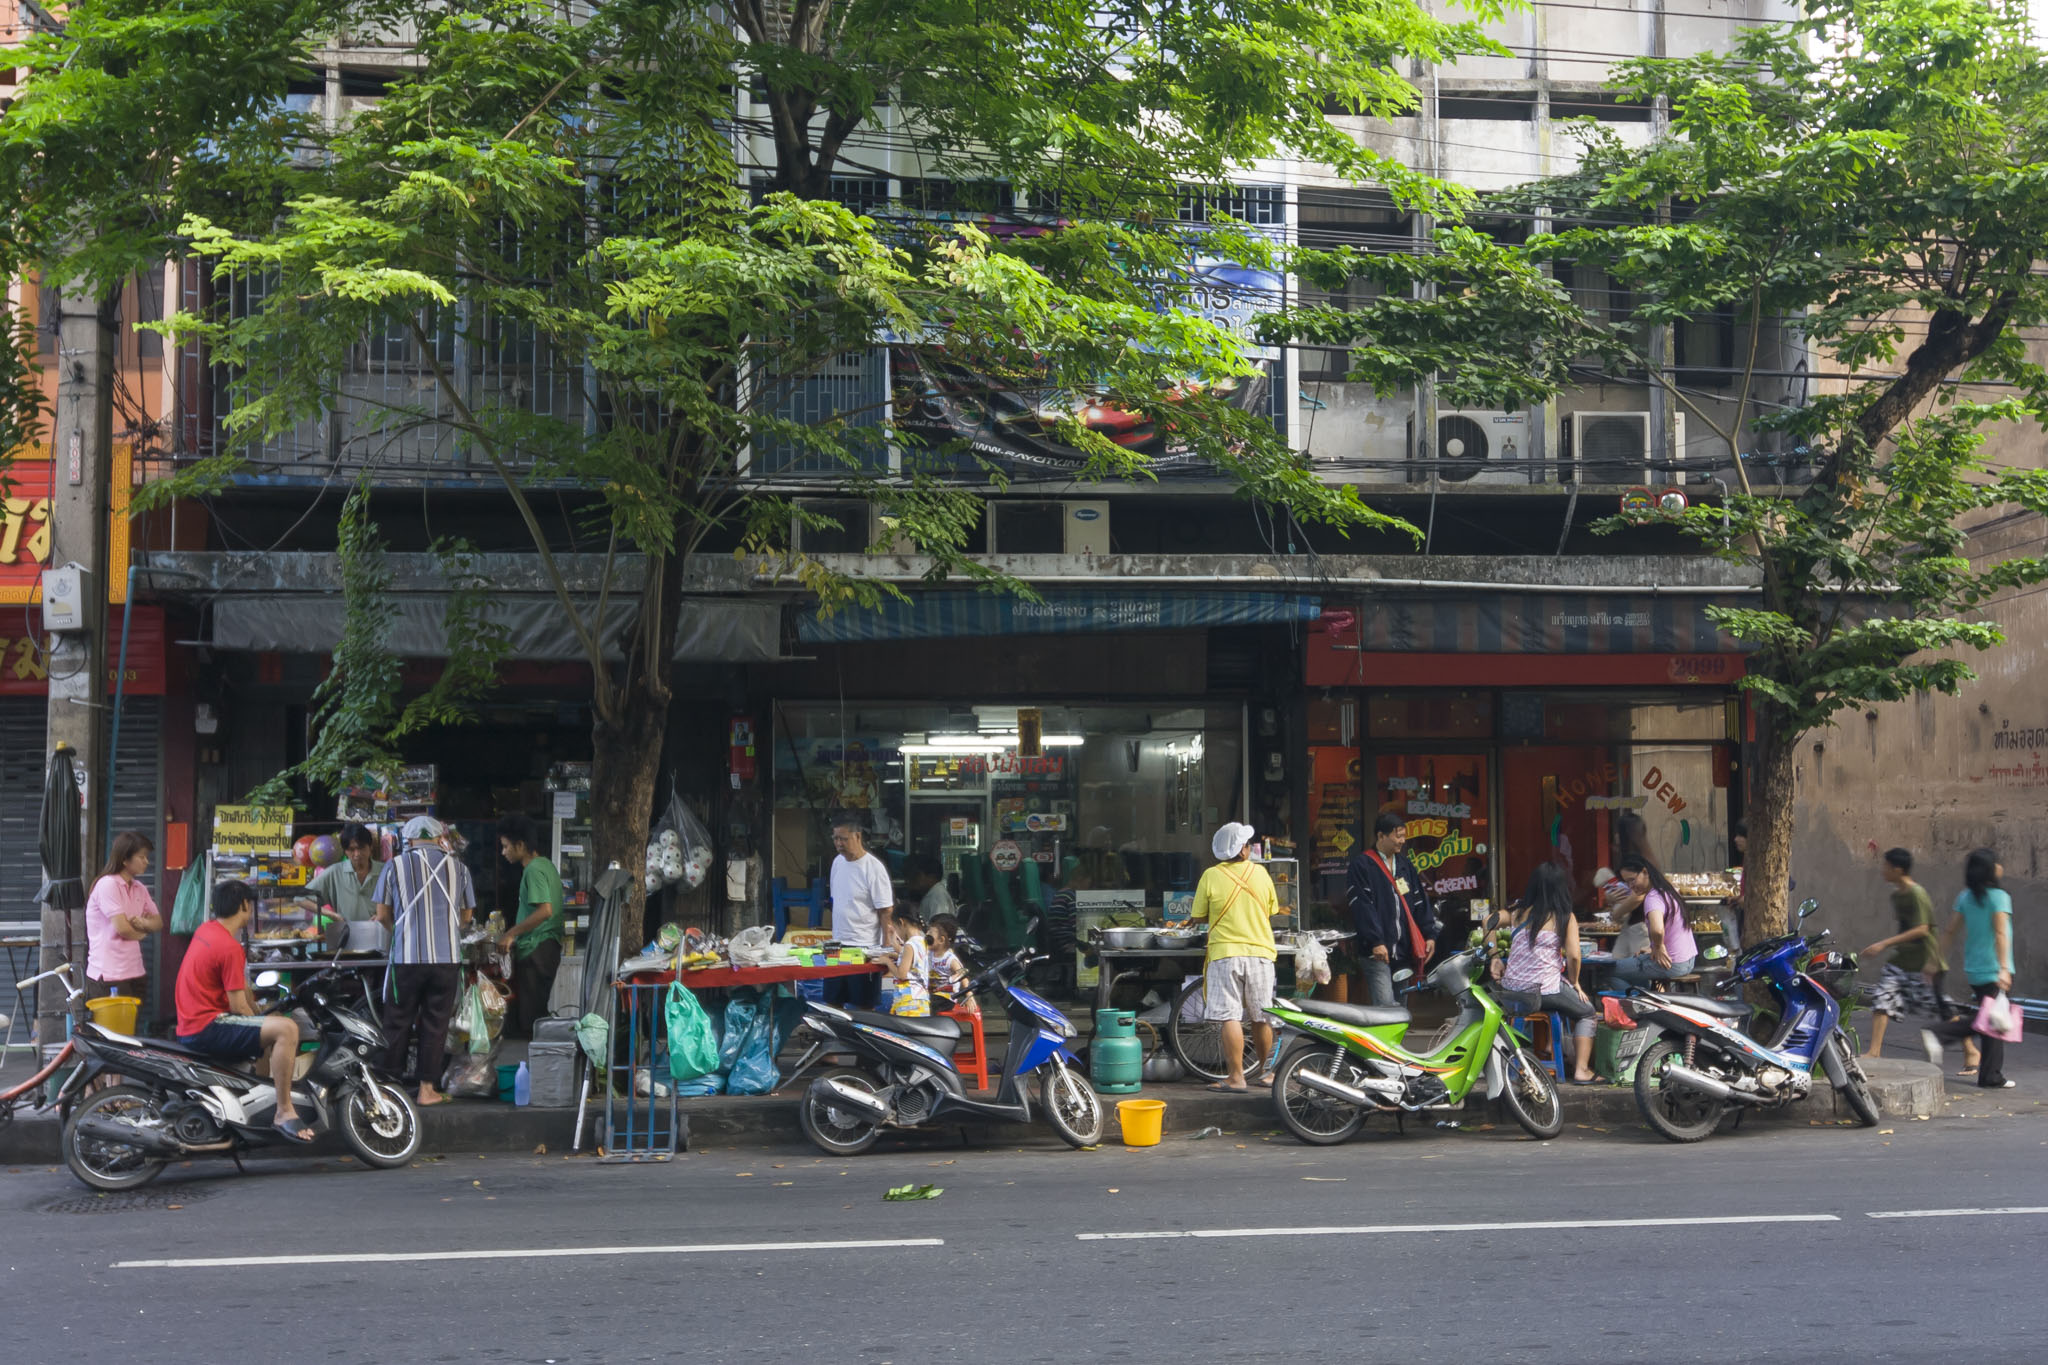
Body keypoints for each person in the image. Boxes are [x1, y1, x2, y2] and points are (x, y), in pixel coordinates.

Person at [174, 880, 314, 1142]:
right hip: (209, 1025)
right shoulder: (229, 948)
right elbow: (238, 1006)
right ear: (244, 905)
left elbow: (240, 990)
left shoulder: (207, 930)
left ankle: (256, 1100)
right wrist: (262, 1021)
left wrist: (259, 1015)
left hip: (193, 1024)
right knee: (287, 1029)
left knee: (267, 1024)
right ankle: (284, 1111)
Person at [373, 815, 477, 1107]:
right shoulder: (460, 868)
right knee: (435, 1023)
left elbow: (381, 915)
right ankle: (426, 1089)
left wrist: (402, 932)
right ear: (438, 838)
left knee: (397, 1021)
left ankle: (386, 1088)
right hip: (446, 960)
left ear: (408, 840)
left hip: (406, 959)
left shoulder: (394, 866)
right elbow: (467, 916)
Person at [1190, 821, 1280, 1093]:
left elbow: (1198, 916)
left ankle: (1236, 1077)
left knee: (1230, 1016)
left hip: (1225, 954)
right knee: (1261, 1015)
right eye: (1246, 844)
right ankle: (1267, 1074)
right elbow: (1272, 909)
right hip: (1261, 953)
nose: (1250, 848)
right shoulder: (1262, 874)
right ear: (1241, 851)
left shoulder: (1210, 876)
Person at [1924, 848, 2017, 1090]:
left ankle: (1990, 1076)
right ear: (1990, 869)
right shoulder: (1999, 897)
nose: (2000, 866)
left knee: (1994, 1020)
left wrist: (1936, 960)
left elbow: (1950, 931)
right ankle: (1940, 1033)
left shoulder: (1965, 897)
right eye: (1997, 863)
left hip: (1974, 968)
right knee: (1990, 1018)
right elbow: (2000, 933)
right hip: (1995, 968)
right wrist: (2005, 968)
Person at [1499, 863, 1599, 1084]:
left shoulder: (1517, 913)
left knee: (1559, 998)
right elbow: (1574, 956)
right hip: (1542, 991)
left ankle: (1546, 1048)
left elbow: (1488, 921)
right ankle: (1582, 1070)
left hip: (1512, 991)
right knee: (1587, 1012)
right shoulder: (1565, 917)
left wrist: (1494, 958)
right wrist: (1575, 983)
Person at [1347, 811, 1439, 1007]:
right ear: (1381, 836)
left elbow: (1419, 902)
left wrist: (1429, 934)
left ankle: (1397, 1040)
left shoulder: (1405, 866)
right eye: (1398, 836)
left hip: (1403, 953)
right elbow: (1362, 906)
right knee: (1386, 1009)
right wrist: (1376, 941)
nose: (1403, 841)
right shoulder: (1362, 865)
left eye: (1404, 836)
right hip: (1377, 953)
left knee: (1401, 1010)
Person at [1862, 847, 1942, 1058]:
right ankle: (1874, 1051)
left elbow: (1922, 929)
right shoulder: (1897, 896)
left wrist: (1884, 944)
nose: (1882, 870)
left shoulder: (1917, 894)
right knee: (1882, 997)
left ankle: (1971, 1052)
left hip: (1923, 961)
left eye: (1886, 866)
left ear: (1898, 870)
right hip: (1901, 961)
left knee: (1938, 1006)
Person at [496, 813, 565, 1040]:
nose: (503, 852)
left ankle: (533, 1069)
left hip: (538, 948)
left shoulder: (533, 870)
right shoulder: (546, 865)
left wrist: (511, 934)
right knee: (533, 1014)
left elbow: (545, 910)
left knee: (531, 1020)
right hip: (545, 947)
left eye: (506, 846)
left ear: (521, 845)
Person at [84, 830, 162, 1007]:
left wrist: (143, 923)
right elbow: (122, 928)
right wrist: (142, 933)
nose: (146, 862)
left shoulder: (139, 887)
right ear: (125, 860)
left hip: (135, 971)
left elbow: (158, 922)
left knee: (129, 1031)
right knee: (112, 1033)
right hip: (109, 975)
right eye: (142, 857)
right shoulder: (107, 884)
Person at [826, 818, 892, 1011]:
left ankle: (862, 1040)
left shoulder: (873, 868)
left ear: (858, 836)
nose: (839, 843)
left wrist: (885, 948)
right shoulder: (837, 863)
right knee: (833, 1000)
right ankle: (837, 1040)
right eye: (835, 839)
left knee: (863, 1004)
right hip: (837, 945)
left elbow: (886, 910)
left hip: (864, 946)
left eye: (843, 839)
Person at [1605, 854, 1696, 990]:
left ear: (1645, 872)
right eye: (1627, 882)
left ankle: (1641, 1002)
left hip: (1672, 963)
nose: (1630, 886)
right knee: (1633, 967)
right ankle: (1646, 997)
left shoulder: (1652, 898)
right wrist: (1653, 948)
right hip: (1688, 960)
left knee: (1608, 972)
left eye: (1632, 880)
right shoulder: (1667, 891)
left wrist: (1658, 947)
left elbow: (1657, 929)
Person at [307, 822, 385, 924]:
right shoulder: (335, 872)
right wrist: (332, 915)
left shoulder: (385, 870)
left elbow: (402, 901)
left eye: (361, 848)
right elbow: (300, 898)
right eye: (351, 849)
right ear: (345, 852)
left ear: (370, 847)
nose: (357, 854)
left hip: (379, 933)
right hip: (347, 934)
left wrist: (383, 915)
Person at [885, 904, 932, 1018]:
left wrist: (887, 961)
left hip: (908, 1001)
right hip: (921, 999)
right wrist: (893, 939)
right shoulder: (922, 940)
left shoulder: (909, 945)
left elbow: (902, 974)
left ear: (901, 922)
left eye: (896, 928)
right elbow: (910, 958)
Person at [927, 913, 973, 1014]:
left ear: (941, 940)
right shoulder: (928, 953)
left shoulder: (950, 959)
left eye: (930, 933)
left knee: (927, 1004)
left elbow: (963, 976)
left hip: (946, 998)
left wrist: (969, 996)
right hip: (931, 993)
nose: (926, 935)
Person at [905, 854, 956, 922]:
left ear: (931, 877)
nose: (914, 879)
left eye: (918, 875)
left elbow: (939, 926)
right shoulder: (931, 893)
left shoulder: (938, 895)